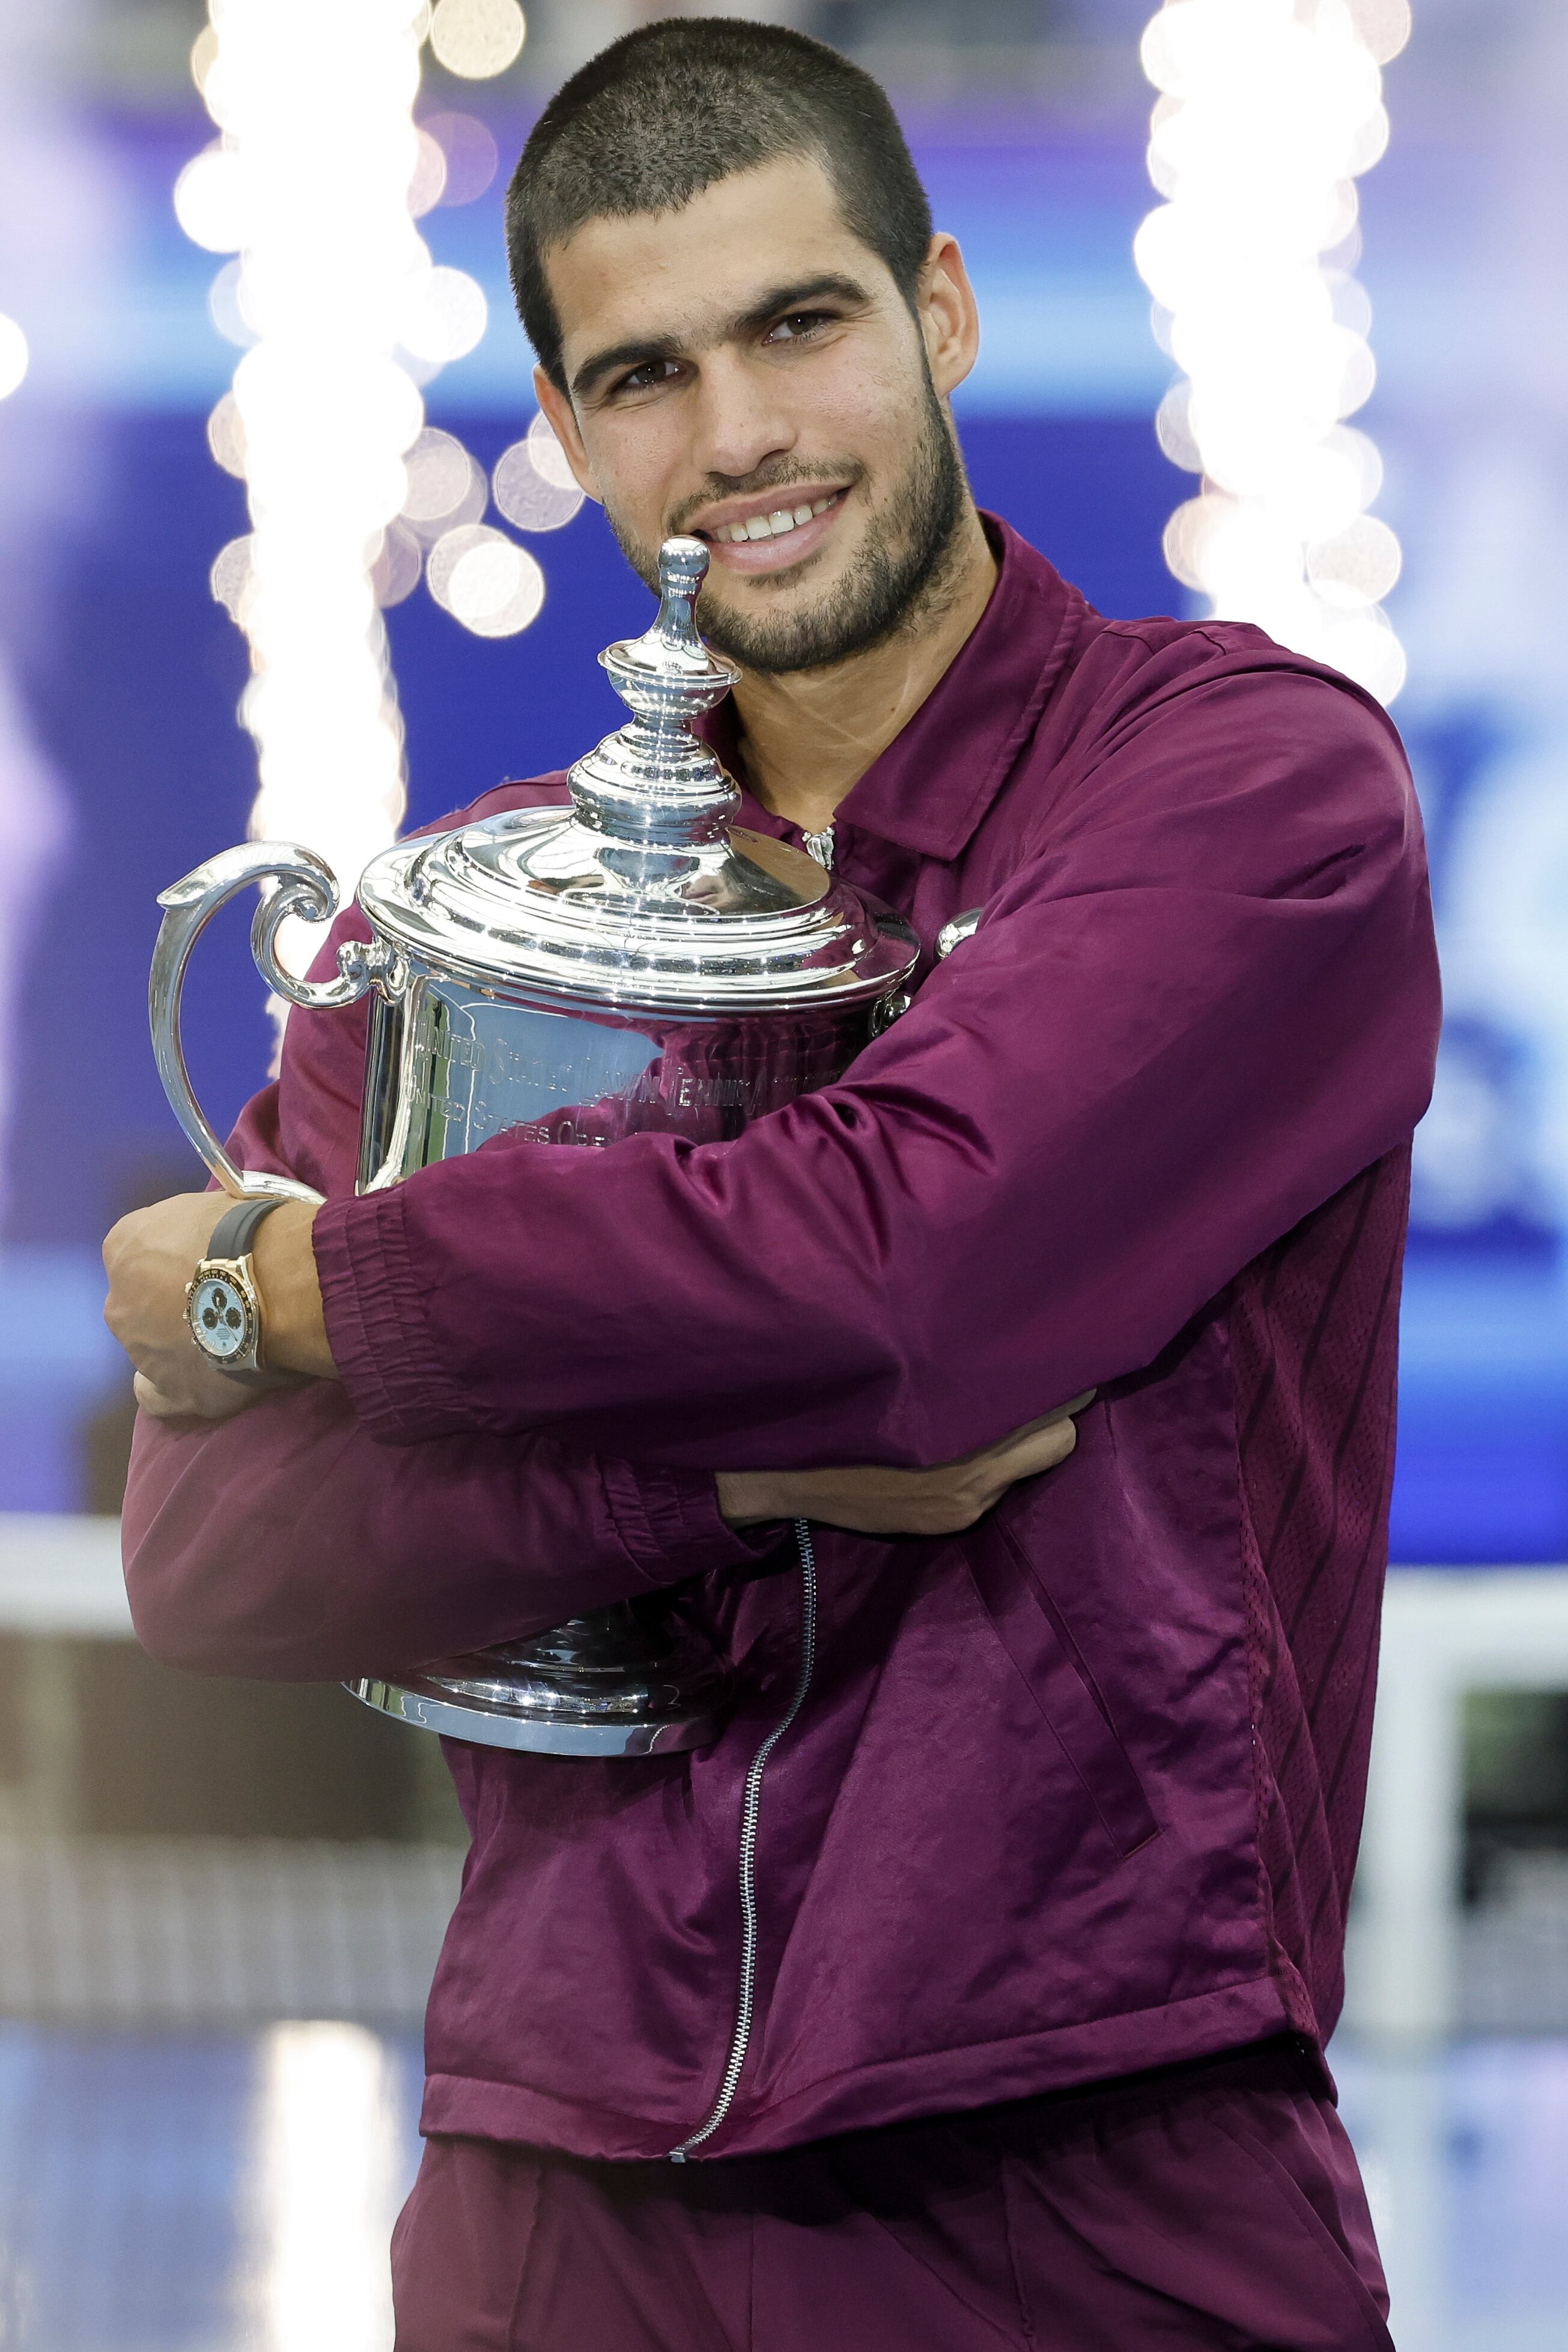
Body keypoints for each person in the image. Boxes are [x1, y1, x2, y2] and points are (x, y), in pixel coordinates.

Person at [103, 19, 1441, 2348]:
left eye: (796, 325)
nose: (733, 438)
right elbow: (216, 1551)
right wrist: (713, 1473)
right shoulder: (480, 903)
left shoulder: (1237, 792)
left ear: (935, 308)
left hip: (1065, 2184)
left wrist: (301, 1296)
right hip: (543, 2193)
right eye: (640, 373)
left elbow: (907, 1276)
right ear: (562, 434)